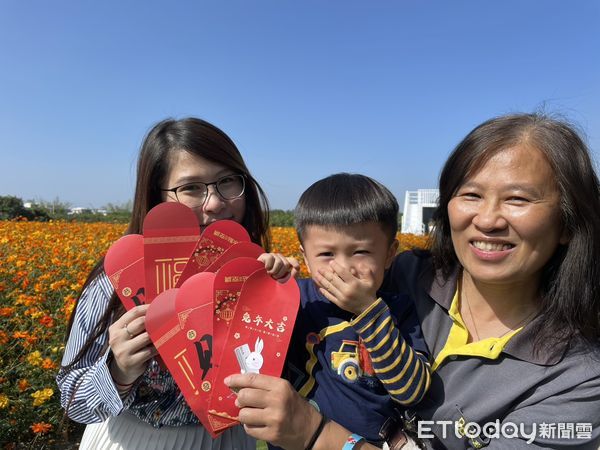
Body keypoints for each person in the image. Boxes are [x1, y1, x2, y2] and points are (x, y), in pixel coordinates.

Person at [226, 112, 600, 449]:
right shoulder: (409, 275)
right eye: (470, 194)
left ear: (567, 223)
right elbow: (245, 340)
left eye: (517, 199)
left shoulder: (576, 377)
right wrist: (265, 282)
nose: (488, 219)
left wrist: (317, 435)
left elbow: (407, 387)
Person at [57, 117, 295, 450]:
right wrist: (118, 371)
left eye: (227, 181)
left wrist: (281, 295)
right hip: (131, 440)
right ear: (157, 197)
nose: (214, 203)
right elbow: (72, 400)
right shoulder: (115, 283)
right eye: (191, 188)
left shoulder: (254, 277)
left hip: (227, 442)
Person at [273, 173, 430, 448]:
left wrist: (367, 310)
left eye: (360, 252)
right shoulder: (296, 299)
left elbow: (411, 392)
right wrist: (262, 280)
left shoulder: (397, 310)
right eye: (326, 254)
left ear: (390, 253)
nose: (343, 267)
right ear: (304, 255)